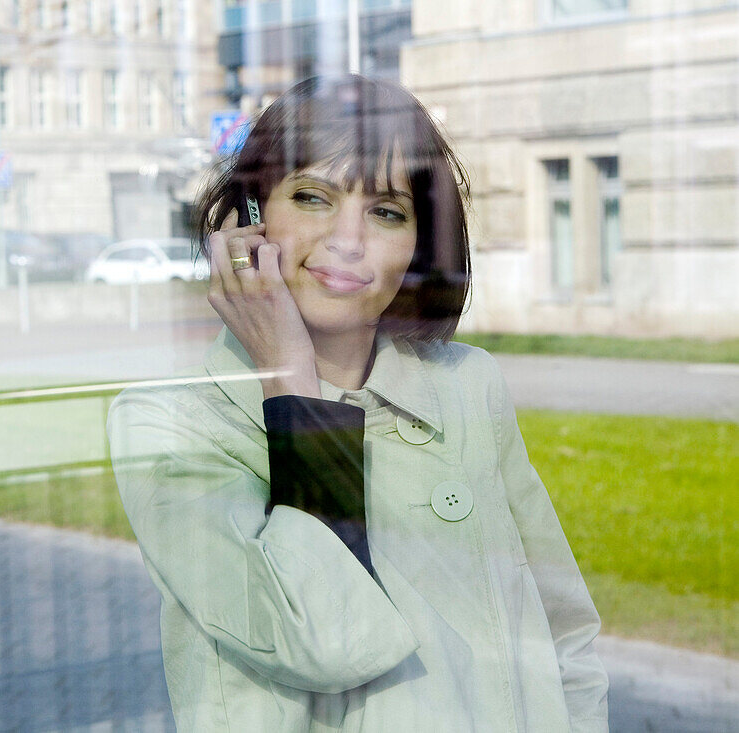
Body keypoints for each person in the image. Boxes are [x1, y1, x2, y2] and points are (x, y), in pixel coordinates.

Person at [107, 75, 609, 731]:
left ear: (419, 242)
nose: (349, 239)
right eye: (313, 197)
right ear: (248, 218)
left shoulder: (465, 385)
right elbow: (325, 639)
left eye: (387, 211)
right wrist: (290, 379)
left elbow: (563, 630)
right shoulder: (172, 424)